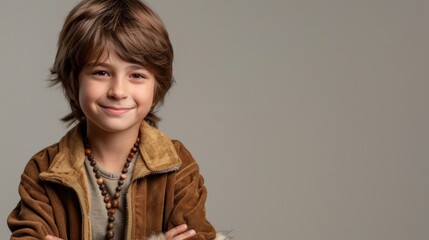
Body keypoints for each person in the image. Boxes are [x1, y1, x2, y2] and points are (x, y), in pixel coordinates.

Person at [7, 0, 228, 239]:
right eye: (101, 72)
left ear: (157, 85)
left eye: (137, 75)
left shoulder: (177, 166)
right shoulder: (43, 170)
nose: (118, 91)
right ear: (74, 80)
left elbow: (197, 235)